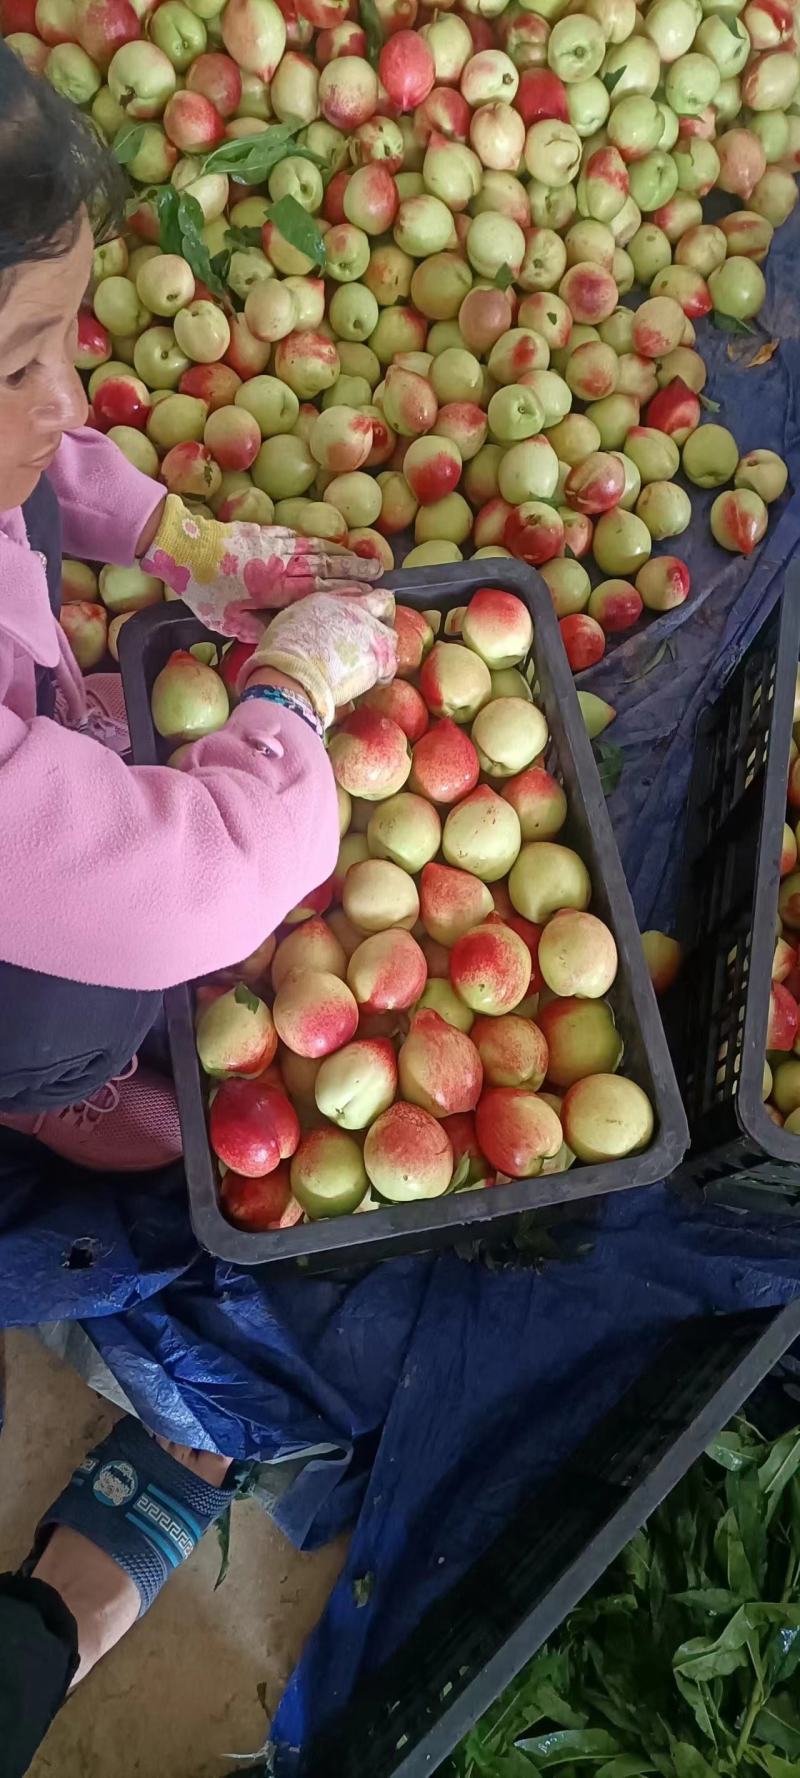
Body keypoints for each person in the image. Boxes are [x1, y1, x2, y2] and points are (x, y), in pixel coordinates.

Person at [0, 42, 397, 1774]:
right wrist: (290, 711)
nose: (72, 396)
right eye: (27, 361)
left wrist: (179, 543)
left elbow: (39, 478)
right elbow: (183, 885)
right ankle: (60, 1094)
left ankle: (53, 1612)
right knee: (62, 1008)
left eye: (70, 336)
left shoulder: (23, 431)